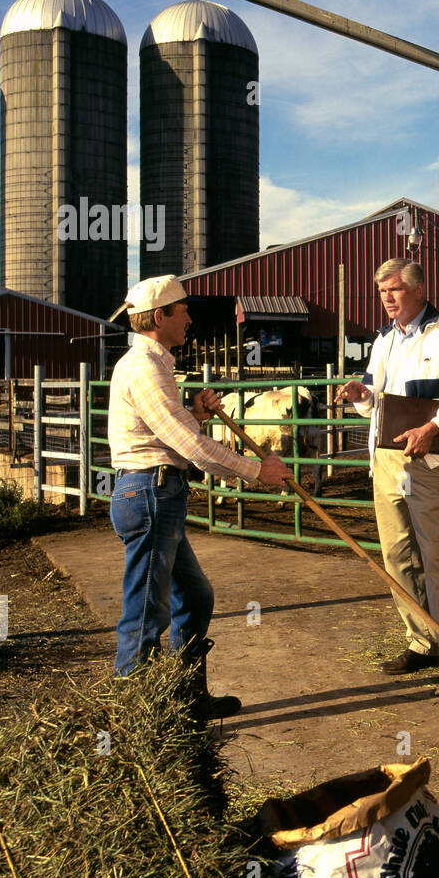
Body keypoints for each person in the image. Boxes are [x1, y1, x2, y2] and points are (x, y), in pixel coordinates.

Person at [107, 274, 291, 715]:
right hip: (150, 493)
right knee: (147, 611)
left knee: (193, 597)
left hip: (155, 493)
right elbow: (187, 447)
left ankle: (186, 698)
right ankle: (136, 715)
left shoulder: (154, 366)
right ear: (158, 317)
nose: (190, 317)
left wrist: (195, 414)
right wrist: (256, 470)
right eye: (182, 310)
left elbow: (172, 433)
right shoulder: (146, 369)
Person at [336, 258, 439, 696]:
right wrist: (360, 395)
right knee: (397, 557)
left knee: (437, 559)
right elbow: (374, 400)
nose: (386, 297)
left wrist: (435, 427)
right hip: (386, 459)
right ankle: (421, 641)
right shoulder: (383, 340)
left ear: (419, 290)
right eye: (382, 290)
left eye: (395, 289)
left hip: (429, 461)